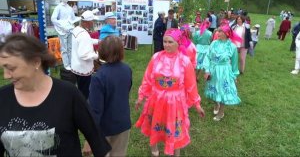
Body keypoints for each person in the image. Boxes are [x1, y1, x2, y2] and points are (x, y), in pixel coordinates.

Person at [0, 33, 111, 156]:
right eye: (4, 68)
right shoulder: (2, 98)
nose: (6, 75)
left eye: (11, 68)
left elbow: (96, 139)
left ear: (36, 62)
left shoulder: (68, 94)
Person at [135, 28, 205, 156]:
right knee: (155, 123)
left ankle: (175, 150)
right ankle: (154, 148)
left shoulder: (185, 61)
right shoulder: (156, 57)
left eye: (170, 42)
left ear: (178, 42)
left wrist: (197, 104)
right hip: (156, 98)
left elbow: (191, 85)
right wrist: (141, 96)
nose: (166, 45)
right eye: (165, 41)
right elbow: (147, 79)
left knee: (174, 127)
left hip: (175, 101)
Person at [82, 36, 132, 156]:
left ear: (101, 51)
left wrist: (89, 139)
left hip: (105, 129)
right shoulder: (127, 69)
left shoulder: (98, 77)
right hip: (123, 123)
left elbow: (95, 109)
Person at [203, 25, 242, 121]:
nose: (217, 33)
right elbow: (207, 56)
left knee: (223, 91)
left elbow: (234, 63)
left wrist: (235, 75)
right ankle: (216, 104)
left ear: (226, 33)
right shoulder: (214, 43)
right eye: (218, 31)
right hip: (213, 70)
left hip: (225, 72)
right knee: (213, 89)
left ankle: (221, 112)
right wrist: (207, 70)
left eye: (220, 31)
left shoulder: (232, 47)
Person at [71, 10, 99, 99]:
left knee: (79, 89)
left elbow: (85, 42)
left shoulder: (77, 29)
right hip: (83, 69)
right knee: (84, 92)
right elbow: (84, 55)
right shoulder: (84, 34)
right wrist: (98, 56)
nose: (93, 23)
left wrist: (99, 41)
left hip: (76, 65)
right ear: (88, 22)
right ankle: (83, 107)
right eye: (93, 21)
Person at [51, 0, 78, 70]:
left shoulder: (70, 8)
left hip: (70, 30)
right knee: (64, 48)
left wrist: (79, 19)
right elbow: (53, 19)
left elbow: (73, 19)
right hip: (62, 31)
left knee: (70, 47)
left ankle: (71, 63)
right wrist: (62, 26)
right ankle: (66, 64)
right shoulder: (58, 8)